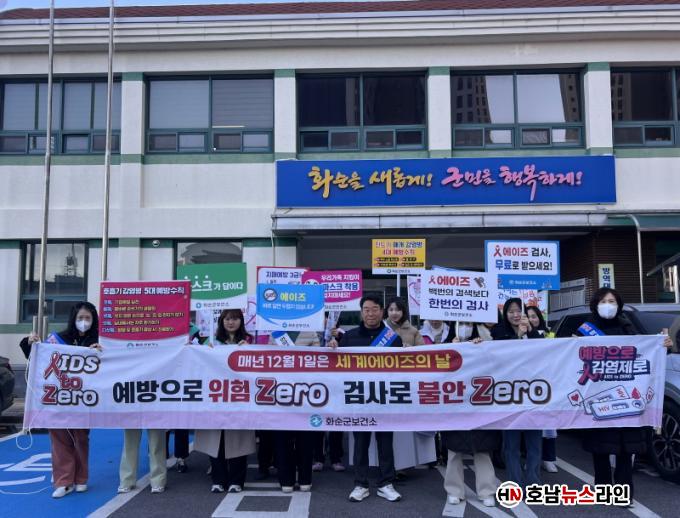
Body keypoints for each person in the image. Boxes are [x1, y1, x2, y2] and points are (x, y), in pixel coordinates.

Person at [576, 288, 671, 499]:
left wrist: (663, 346)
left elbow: (646, 353)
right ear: (595, 305)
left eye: (612, 301)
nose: (608, 305)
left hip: (626, 398)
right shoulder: (585, 330)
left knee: (626, 449)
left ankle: (623, 492)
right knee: (600, 449)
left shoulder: (628, 328)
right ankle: (603, 490)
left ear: (619, 304)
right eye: (603, 301)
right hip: (599, 398)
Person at [20, 302, 101, 499]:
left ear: (94, 320)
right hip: (57, 398)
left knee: (81, 438)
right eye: (80, 318)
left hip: (83, 399)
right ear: (73, 319)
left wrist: (102, 352)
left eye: (88, 318)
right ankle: (64, 481)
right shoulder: (57, 339)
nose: (84, 321)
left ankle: (81, 478)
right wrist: (30, 343)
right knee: (59, 439)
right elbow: (38, 357)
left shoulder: (98, 341)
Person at [332, 295, 404, 503]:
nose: (370, 313)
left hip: (384, 400)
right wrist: (332, 347)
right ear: (361, 311)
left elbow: (401, 370)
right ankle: (360, 484)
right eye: (366, 309)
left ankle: (386, 483)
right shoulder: (349, 337)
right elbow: (337, 368)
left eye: (374, 309)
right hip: (359, 401)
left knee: (386, 444)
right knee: (360, 444)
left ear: (381, 311)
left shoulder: (393, 338)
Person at [194, 309, 256, 493]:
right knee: (216, 440)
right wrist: (205, 351)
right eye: (227, 319)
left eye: (235, 319)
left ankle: (237, 481)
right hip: (216, 397)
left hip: (240, 398)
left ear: (241, 321)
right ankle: (218, 479)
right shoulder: (211, 341)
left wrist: (249, 350)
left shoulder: (249, 341)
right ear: (221, 321)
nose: (231, 322)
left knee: (238, 440)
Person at [442, 324, 499, 507]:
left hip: (479, 403)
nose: (464, 328)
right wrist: (449, 348)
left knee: (482, 450)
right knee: (454, 450)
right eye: (461, 324)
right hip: (455, 402)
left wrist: (483, 347)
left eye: (468, 324)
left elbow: (495, 365)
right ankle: (454, 490)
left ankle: (486, 491)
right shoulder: (446, 343)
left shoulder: (485, 342)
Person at [491, 298, 542, 488]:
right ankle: (515, 482)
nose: (515, 315)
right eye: (511, 311)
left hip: (533, 395)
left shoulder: (535, 333)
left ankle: (534, 481)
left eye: (518, 311)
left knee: (534, 443)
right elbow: (501, 357)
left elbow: (546, 356)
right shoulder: (498, 332)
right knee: (511, 444)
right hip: (509, 395)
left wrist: (529, 332)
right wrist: (518, 336)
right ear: (505, 314)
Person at [524, 305, 559, 473]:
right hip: (528, 384)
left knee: (549, 423)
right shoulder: (521, 336)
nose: (532, 319)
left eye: (534, 316)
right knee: (530, 424)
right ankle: (531, 459)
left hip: (548, 383)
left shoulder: (550, 334)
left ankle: (549, 458)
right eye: (528, 316)